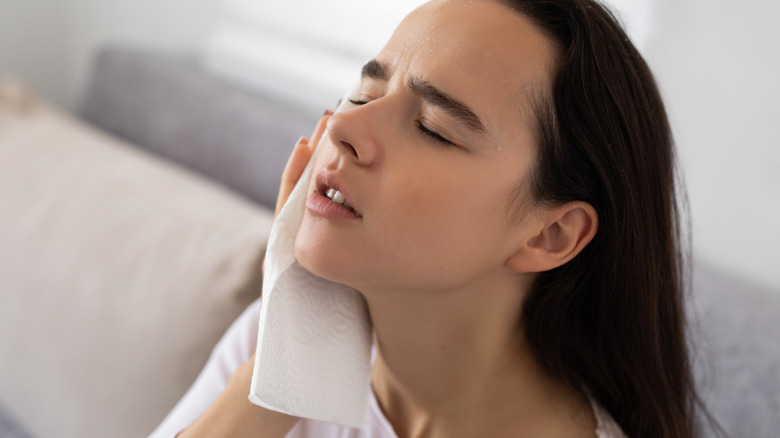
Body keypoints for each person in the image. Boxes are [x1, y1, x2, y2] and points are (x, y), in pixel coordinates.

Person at [150, 0, 705, 437]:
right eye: (365, 95)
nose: (344, 129)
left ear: (550, 233)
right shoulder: (283, 335)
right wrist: (272, 386)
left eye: (434, 129)